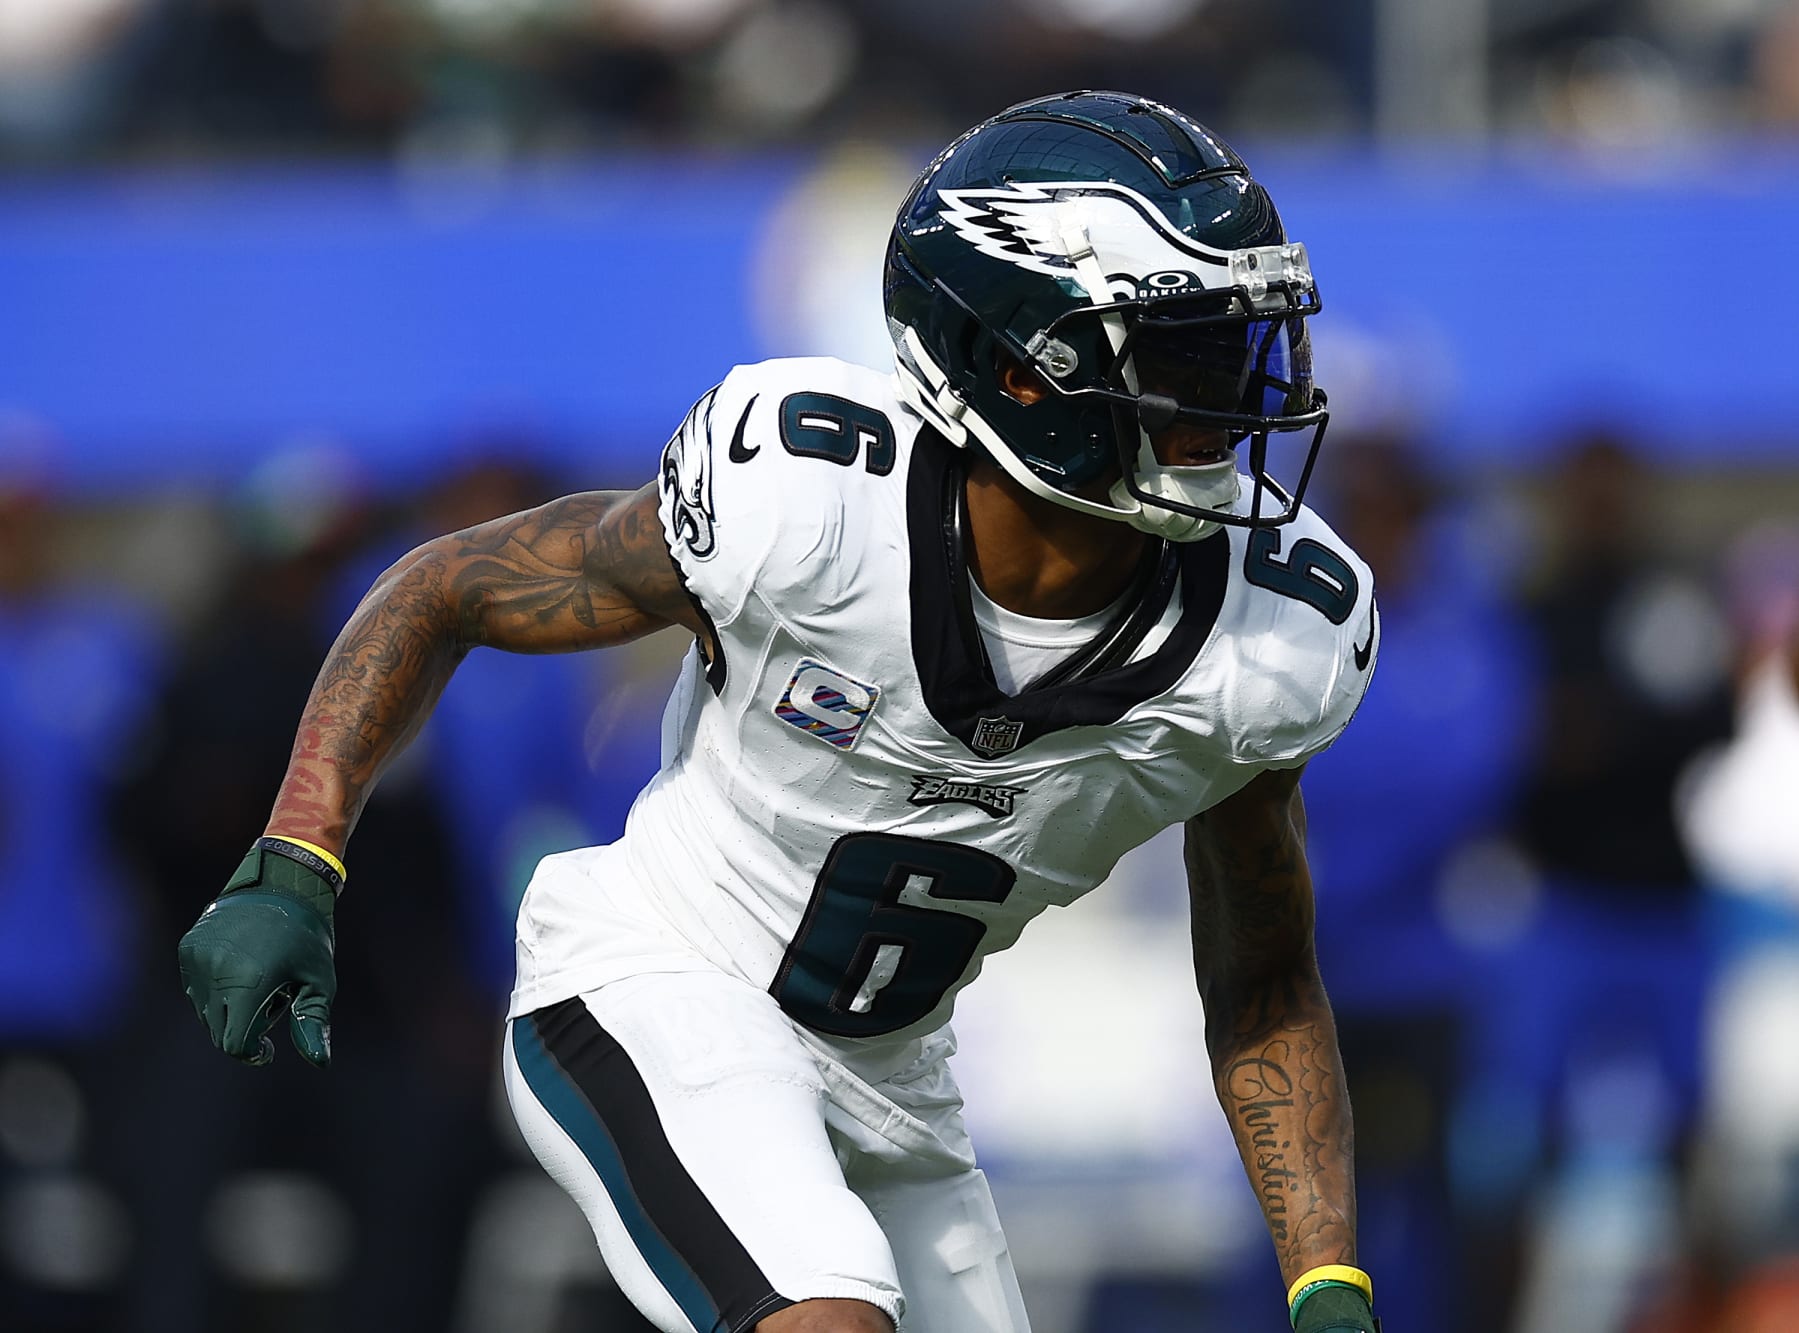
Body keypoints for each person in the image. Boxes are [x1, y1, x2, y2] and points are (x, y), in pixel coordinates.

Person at [177, 91, 1384, 1333]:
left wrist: (1326, 1281)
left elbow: (1264, 977)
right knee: (826, 1316)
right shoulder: (809, 501)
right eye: (1183, 354)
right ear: (1020, 367)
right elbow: (448, 586)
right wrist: (297, 857)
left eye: (1243, 348)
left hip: (896, 1082)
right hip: (658, 979)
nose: (1233, 399)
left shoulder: (1270, 640)